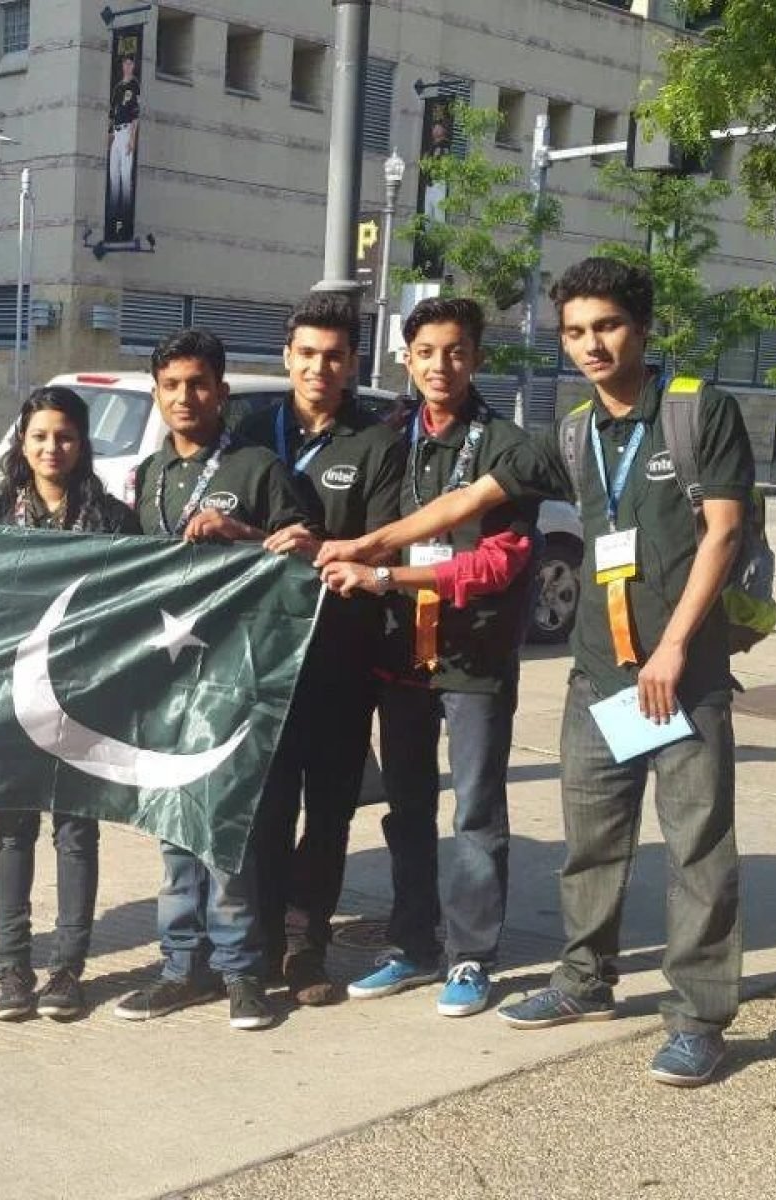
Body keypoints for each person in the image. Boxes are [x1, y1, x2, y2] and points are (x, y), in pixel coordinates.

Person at [319, 258, 754, 1087]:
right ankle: (584, 981)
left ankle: (699, 1016)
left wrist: (672, 652)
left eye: (609, 327)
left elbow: (723, 537)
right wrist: (371, 546)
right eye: (578, 332)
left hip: (680, 676)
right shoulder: (571, 431)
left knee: (698, 848)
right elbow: (468, 500)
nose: (593, 345)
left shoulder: (700, 411)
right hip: (599, 676)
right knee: (593, 846)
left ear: (643, 327)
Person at [329, 297, 538, 1018]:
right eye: (426, 353)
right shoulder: (386, 439)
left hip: (472, 657)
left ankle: (472, 956)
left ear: (476, 358)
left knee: (476, 812)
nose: (440, 366)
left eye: (455, 352)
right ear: (406, 359)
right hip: (398, 658)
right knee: (408, 808)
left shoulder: (508, 446)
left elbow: (497, 565)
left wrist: (387, 574)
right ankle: (412, 943)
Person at [111, 328, 317, 1032]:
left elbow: (303, 562)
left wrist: (241, 535)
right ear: (158, 393)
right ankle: (180, 967)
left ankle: (239, 969)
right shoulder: (147, 476)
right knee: (173, 825)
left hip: (239, 672)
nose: (185, 397)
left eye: (198, 384)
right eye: (171, 386)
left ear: (222, 392)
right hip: (171, 677)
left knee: (226, 824)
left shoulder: (259, 467)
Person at [237, 292, 404, 1007]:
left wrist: (320, 551)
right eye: (307, 353)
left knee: (330, 809)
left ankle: (308, 948)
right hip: (257, 659)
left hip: (339, 654)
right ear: (287, 357)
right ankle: (263, 939)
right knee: (266, 810)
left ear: (352, 363)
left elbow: (386, 538)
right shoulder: (247, 433)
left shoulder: (378, 441)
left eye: (334, 356)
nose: (319, 367)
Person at [0, 387, 140, 1021]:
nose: (52, 448)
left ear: (82, 444)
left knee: (76, 833)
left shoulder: (114, 521)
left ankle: (68, 968)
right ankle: (11, 967)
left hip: (84, 701)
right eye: (40, 435)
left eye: (65, 436)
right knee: (11, 832)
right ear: (22, 440)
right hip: (7, 701)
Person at [106, 52, 140, 239]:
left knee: (126, 176)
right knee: (114, 175)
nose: (127, 66)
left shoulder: (134, 86)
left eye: (130, 63)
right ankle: (113, 213)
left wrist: (132, 140)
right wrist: (109, 134)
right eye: (125, 63)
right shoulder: (118, 87)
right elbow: (112, 113)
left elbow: (136, 116)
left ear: (133, 66)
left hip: (127, 132)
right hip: (116, 132)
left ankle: (125, 215)